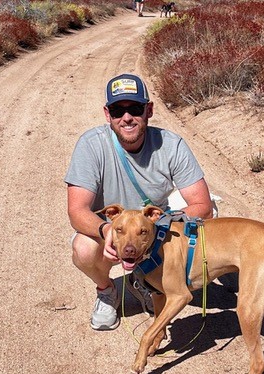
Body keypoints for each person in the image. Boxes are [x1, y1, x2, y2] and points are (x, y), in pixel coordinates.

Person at [65, 73, 214, 331]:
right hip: (115, 232)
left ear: (149, 110)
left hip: (154, 227)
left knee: (204, 231)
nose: (126, 118)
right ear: (107, 114)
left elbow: (203, 205)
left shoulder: (171, 145)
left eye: (135, 108)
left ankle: (150, 282)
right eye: (117, 110)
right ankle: (107, 291)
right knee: (83, 248)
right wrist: (107, 230)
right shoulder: (91, 145)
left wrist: (160, 229)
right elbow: (77, 211)